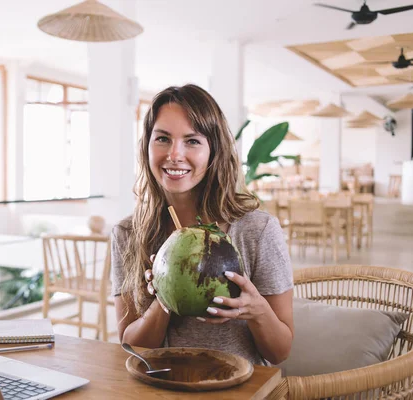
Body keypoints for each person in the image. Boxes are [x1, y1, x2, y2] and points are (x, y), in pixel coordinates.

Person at [111, 84, 294, 366]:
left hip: (238, 389)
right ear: (146, 145)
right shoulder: (127, 233)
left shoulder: (256, 231)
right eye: (162, 138)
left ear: (213, 151)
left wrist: (257, 310)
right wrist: (165, 296)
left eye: (192, 141)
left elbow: (280, 352)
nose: (174, 154)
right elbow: (131, 345)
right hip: (160, 386)